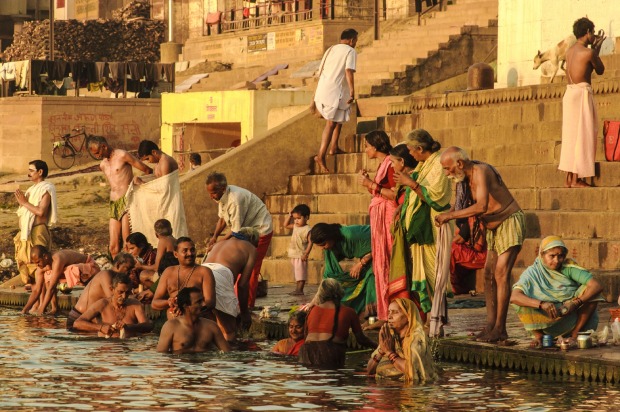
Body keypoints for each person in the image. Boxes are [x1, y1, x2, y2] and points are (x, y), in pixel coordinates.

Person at [436, 147, 525, 343]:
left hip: (509, 221)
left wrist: (449, 216)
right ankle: (490, 326)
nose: (446, 173)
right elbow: (461, 205)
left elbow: (481, 206)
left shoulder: (481, 171)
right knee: (487, 275)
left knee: (501, 274)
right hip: (492, 227)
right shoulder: (463, 181)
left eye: (447, 168)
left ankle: (501, 329)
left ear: (459, 164)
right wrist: (446, 214)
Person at [393, 129, 451, 320]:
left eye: (410, 150)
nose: (409, 154)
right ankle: (433, 319)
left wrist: (411, 183)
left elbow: (437, 198)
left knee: (436, 276)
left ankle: (437, 320)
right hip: (423, 231)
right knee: (426, 276)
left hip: (435, 227)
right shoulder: (423, 164)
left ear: (419, 148)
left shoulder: (438, 164)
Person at [510, 236, 604, 348]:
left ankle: (574, 335)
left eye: (560, 256)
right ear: (541, 255)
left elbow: (596, 286)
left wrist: (576, 303)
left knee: (591, 292)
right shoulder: (532, 272)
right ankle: (539, 336)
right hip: (546, 320)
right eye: (552, 256)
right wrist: (541, 304)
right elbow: (514, 296)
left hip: (569, 315)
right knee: (521, 300)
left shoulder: (568, 266)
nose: (557, 260)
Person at [206, 172, 273, 308]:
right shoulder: (221, 197)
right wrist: (214, 237)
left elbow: (235, 231)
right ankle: (237, 301)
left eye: (213, 193)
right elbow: (222, 219)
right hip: (243, 230)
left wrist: (219, 243)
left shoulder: (235, 200)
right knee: (238, 264)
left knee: (251, 270)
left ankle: (247, 305)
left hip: (259, 230)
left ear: (222, 189)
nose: (211, 196)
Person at [558, 17, 605, 188]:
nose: (594, 36)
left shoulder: (570, 51)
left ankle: (569, 179)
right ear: (588, 33)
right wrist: (597, 49)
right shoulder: (589, 52)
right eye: (593, 32)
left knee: (570, 136)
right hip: (582, 94)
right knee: (582, 135)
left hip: (570, 93)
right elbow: (600, 69)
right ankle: (577, 179)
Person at [87, 136, 152, 257]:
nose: (97, 156)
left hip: (127, 201)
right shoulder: (103, 165)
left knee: (127, 244)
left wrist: (140, 181)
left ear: (104, 147)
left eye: (98, 152)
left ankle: (131, 272)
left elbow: (147, 170)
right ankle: (116, 272)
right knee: (113, 247)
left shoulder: (122, 155)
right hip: (114, 204)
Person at [357, 130, 397, 330]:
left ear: (375, 146)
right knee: (380, 265)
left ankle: (391, 314)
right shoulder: (384, 164)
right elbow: (378, 191)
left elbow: (394, 195)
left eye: (366, 146)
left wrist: (370, 184)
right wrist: (369, 183)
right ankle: (384, 314)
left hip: (388, 220)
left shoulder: (391, 164)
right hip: (379, 220)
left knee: (387, 264)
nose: (365, 150)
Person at [299, 278, 376, 369]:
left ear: (321, 294)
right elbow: (361, 339)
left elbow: (305, 336)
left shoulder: (312, 310)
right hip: (330, 352)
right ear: (339, 292)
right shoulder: (349, 312)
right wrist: (377, 346)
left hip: (306, 351)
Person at [313, 28, 358, 173]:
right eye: (356, 40)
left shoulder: (330, 49)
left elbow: (320, 71)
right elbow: (348, 71)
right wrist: (352, 89)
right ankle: (321, 155)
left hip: (325, 89)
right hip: (334, 91)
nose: (355, 43)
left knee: (339, 117)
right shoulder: (350, 51)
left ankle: (334, 147)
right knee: (331, 123)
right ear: (351, 40)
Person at [202, 227, 258, 341]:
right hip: (219, 277)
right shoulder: (251, 248)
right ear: (252, 240)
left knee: (206, 326)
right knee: (229, 332)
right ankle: (228, 358)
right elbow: (242, 285)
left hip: (200, 273)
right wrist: (244, 313)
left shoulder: (219, 243)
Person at [309, 223, 376, 317]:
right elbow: (328, 276)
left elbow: (380, 246)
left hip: (382, 254)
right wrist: (313, 303)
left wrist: (361, 264)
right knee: (338, 280)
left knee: (371, 277)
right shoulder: (329, 248)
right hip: (369, 260)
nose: (322, 248)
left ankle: (373, 314)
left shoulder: (351, 235)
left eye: (323, 244)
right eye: (319, 246)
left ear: (330, 236)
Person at [367, 299, 437, 382]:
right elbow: (370, 370)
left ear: (408, 316)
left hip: (411, 390)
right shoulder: (390, 335)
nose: (389, 316)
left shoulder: (417, 337)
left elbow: (411, 370)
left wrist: (389, 353)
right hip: (387, 388)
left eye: (395, 312)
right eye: (389, 312)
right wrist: (382, 350)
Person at [14, 160, 58, 286]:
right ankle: (35, 299)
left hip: (38, 231)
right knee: (26, 264)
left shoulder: (46, 188)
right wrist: (23, 203)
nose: (29, 174)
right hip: (26, 233)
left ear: (40, 172)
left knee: (41, 266)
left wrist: (24, 203)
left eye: (31, 171)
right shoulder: (30, 190)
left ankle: (48, 300)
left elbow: (40, 211)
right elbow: (25, 212)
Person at [22, 246, 100, 316]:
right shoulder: (41, 267)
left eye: (38, 262)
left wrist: (41, 310)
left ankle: (89, 294)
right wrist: (25, 310)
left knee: (70, 270)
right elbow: (36, 291)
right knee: (48, 275)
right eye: (35, 263)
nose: (37, 265)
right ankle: (55, 309)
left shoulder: (57, 259)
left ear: (45, 257)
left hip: (90, 268)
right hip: (67, 270)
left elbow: (52, 287)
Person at [151, 237, 216, 320]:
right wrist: (170, 302)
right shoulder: (168, 272)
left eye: (192, 250)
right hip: (175, 323)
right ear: (175, 254)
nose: (190, 253)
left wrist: (187, 309)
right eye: (185, 251)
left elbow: (210, 302)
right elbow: (155, 303)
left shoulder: (204, 271)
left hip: (199, 321)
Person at [67, 252, 135, 330]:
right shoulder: (105, 275)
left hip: (92, 319)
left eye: (131, 269)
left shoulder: (119, 281)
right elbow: (113, 298)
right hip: (79, 318)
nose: (129, 272)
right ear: (118, 265)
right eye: (127, 268)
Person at [73, 273, 153, 338]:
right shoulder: (102, 304)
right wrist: (100, 328)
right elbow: (77, 323)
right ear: (112, 290)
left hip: (128, 351)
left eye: (127, 293)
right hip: (106, 350)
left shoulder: (135, 304)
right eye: (120, 292)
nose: (124, 296)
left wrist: (129, 327)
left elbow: (147, 326)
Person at [386, 144, 418, 302]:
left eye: (393, 162)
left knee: (415, 274)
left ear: (402, 162)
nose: (391, 166)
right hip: (402, 233)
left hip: (414, 234)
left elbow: (417, 199)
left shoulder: (415, 177)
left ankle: (420, 314)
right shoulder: (402, 180)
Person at [157, 287, 231, 354]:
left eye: (203, 300)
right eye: (199, 302)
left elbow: (228, 353)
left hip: (203, 366)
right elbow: (162, 355)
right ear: (186, 305)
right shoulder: (171, 326)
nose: (204, 304)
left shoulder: (211, 326)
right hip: (181, 366)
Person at [449, 174, 487, 295]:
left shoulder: (475, 210)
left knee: (450, 249)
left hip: (483, 254)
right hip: (471, 249)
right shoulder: (467, 205)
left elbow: (460, 238)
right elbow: (456, 207)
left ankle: (453, 288)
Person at [284, 204, 313, 296]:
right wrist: (289, 215)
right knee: (297, 273)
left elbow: (310, 242)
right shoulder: (295, 226)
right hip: (293, 254)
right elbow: (286, 225)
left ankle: (300, 290)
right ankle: (297, 289)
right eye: (295, 218)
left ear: (306, 217)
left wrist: (306, 253)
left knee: (301, 274)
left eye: (299, 218)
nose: (296, 221)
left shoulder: (307, 229)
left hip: (301, 255)